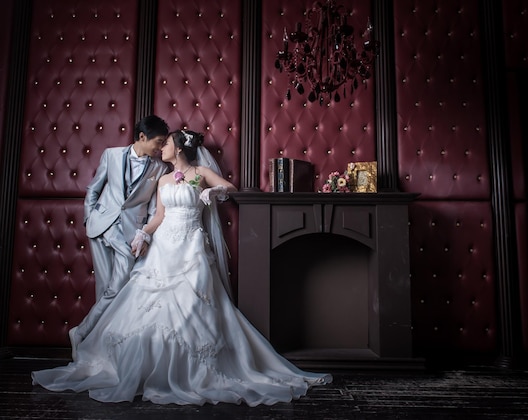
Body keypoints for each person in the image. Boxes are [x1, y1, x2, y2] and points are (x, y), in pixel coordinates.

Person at [32, 130, 332, 406]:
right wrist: (144, 233)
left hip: (191, 246)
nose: (161, 148)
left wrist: (212, 194)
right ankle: (143, 367)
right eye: (160, 144)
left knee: (195, 302)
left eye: (166, 144)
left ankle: (198, 367)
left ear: (179, 148)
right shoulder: (162, 180)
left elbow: (229, 187)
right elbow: (159, 216)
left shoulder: (201, 173)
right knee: (148, 304)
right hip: (164, 245)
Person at [71, 115, 170, 349]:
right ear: (142, 137)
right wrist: (89, 219)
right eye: (158, 141)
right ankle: (97, 345)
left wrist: (145, 235)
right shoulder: (111, 155)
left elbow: (155, 209)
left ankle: (81, 333)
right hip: (100, 226)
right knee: (104, 287)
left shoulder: (159, 168)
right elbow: (93, 188)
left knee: (117, 288)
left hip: (129, 232)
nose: (161, 147)